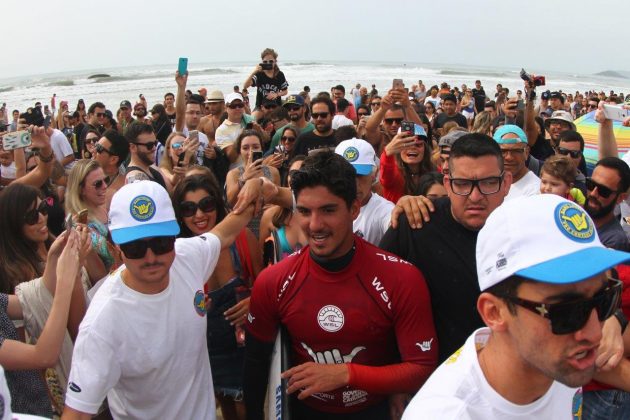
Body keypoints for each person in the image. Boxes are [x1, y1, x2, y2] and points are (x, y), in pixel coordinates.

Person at [244, 151, 437, 420]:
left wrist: (346, 374)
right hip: (304, 411)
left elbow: (421, 367)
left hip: (374, 412)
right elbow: (255, 363)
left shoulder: (400, 277)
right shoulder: (274, 280)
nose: (315, 225)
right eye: (304, 211)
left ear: (354, 209)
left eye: (328, 210)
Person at [403, 194, 630, 419]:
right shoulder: (446, 413)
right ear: (494, 313)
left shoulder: (558, 361)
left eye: (604, 299)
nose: (595, 333)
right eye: (566, 313)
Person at [62, 179, 257, 419]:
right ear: (117, 248)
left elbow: (226, 230)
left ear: (175, 237)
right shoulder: (103, 322)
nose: (151, 256)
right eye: (135, 248)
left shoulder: (187, 256)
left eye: (161, 242)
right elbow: (78, 413)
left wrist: (257, 185)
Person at [380, 133, 513, 362]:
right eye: (462, 184)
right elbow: (378, 299)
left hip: (505, 375)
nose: (475, 196)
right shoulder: (415, 222)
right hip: (430, 378)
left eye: (488, 183)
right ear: (447, 184)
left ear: (507, 183)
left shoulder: (524, 232)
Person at [173, 174, 262, 420]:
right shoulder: (176, 256)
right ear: (180, 214)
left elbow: (266, 285)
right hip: (205, 350)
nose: (199, 215)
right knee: (227, 410)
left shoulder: (242, 239)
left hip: (245, 346)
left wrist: (254, 301)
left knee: (249, 411)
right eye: (189, 208)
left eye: (206, 205)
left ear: (217, 205)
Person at [335, 138, 393, 246]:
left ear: (374, 175)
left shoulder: (383, 210)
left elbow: (392, 221)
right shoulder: (321, 205)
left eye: (360, 175)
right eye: (347, 175)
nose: (354, 183)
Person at [65, 160, 116, 278]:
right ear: (81, 189)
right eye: (98, 184)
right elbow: (110, 253)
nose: (105, 186)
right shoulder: (79, 223)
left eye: (106, 180)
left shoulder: (103, 205)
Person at [380, 124, 435, 203]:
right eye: (407, 144)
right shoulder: (393, 173)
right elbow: (385, 175)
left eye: (418, 145)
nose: (412, 147)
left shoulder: (434, 171)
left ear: (425, 149)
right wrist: (387, 153)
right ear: (398, 149)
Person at [584, 157, 630, 251]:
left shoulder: (614, 242)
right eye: (590, 184)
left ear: (620, 198)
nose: (593, 193)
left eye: (603, 191)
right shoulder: (570, 213)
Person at [493, 125, 540, 200]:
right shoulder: (486, 182)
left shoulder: (535, 191)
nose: (509, 157)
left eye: (516, 151)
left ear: (526, 153)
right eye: (503, 151)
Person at [242, 48, 288, 119]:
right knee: (251, 120)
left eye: (271, 61)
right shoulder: (259, 74)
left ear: (275, 61)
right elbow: (245, 86)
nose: (268, 63)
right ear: (262, 62)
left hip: (276, 106)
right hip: (260, 106)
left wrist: (277, 94)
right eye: (265, 62)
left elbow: (285, 91)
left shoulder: (279, 75)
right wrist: (255, 71)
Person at [92, 129, 129, 210]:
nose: (93, 150)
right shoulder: (87, 178)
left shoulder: (121, 192)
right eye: (95, 145)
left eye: (99, 148)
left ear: (113, 160)